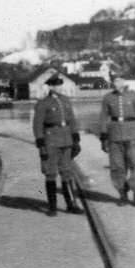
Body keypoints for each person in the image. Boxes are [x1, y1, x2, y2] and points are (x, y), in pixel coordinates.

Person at [32, 73, 83, 216]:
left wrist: (76, 139)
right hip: (51, 141)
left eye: (61, 85)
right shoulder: (43, 103)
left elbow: (72, 120)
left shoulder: (66, 101)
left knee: (67, 171)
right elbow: (37, 125)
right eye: (57, 86)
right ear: (51, 87)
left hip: (66, 139)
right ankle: (52, 207)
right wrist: (41, 144)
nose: (60, 88)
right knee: (50, 173)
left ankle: (71, 204)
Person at [99, 72, 135, 206]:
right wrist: (103, 138)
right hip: (114, 137)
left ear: (124, 81)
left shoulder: (133, 96)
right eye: (114, 81)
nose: (116, 83)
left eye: (119, 80)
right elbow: (103, 118)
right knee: (117, 167)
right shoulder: (108, 98)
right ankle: (122, 195)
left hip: (132, 136)